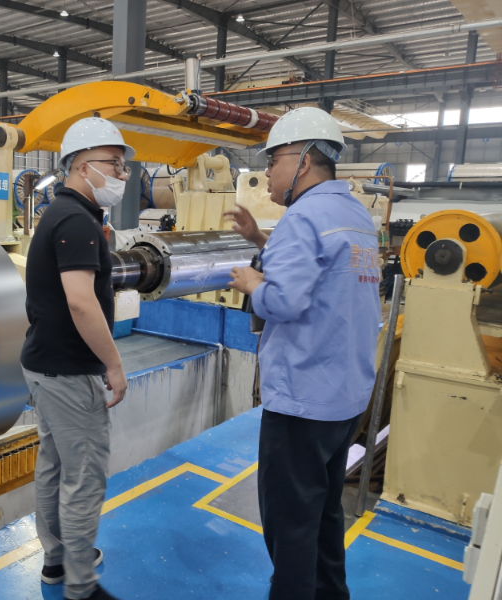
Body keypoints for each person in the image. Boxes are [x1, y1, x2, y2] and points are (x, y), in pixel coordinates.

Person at [226, 107, 381, 600]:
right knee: (323, 512)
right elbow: (319, 268)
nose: (268, 171)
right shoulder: (355, 214)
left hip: (302, 400)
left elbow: (284, 301)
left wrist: (253, 284)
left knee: (289, 525)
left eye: (273, 160)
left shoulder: (303, 217)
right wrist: (258, 238)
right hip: (345, 397)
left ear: (304, 160)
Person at [20, 117, 132, 600]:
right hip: (68, 371)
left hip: (43, 365)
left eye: (123, 165)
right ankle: (81, 586)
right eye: (114, 164)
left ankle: (56, 558)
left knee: (54, 464)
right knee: (84, 477)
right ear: (83, 166)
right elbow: (82, 303)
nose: (122, 174)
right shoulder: (77, 221)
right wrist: (114, 365)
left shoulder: (62, 213)